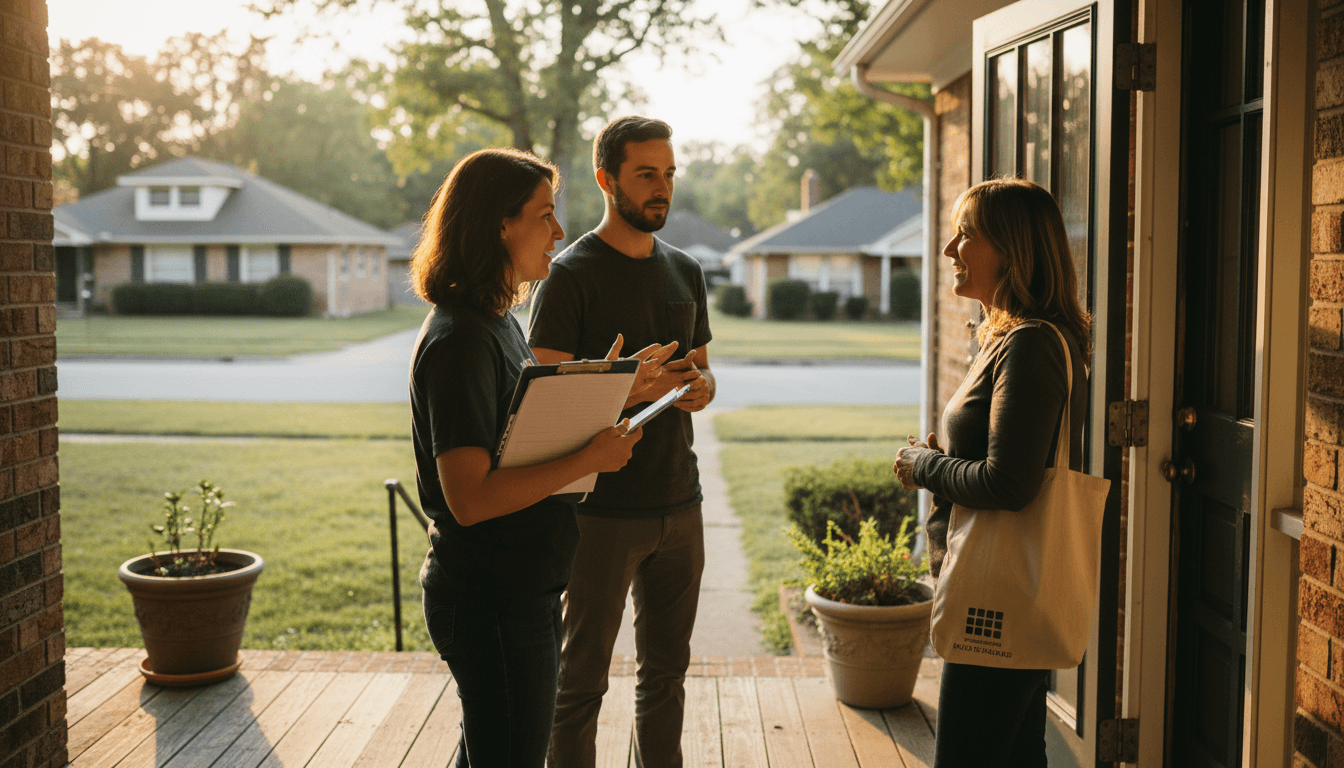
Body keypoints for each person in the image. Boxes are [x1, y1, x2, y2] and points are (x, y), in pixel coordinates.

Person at [408, 147, 674, 768]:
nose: (559, 230)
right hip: (490, 601)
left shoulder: (497, 321)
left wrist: (615, 388)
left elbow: (521, 425)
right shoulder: (460, 341)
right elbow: (470, 499)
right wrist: (593, 455)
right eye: (544, 214)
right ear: (499, 224)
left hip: (520, 589)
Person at [528, 116, 714, 768]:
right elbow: (540, 403)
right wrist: (625, 388)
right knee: (579, 685)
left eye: (667, 174)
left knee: (666, 677)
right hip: (597, 514)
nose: (661, 188)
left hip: (680, 503)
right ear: (607, 180)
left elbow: (701, 369)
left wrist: (699, 387)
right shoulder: (570, 275)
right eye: (645, 175)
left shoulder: (686, 270)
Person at [893, 177, 1092, 768]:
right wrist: (945, 463)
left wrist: (924, 465)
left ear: (1015, 249)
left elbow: (1010, 483)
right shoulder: (1010, 339)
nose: (951, 250)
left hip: (999, 599)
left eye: (967, 234)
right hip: (1009, 593)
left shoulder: (1030, 344)